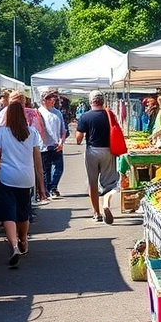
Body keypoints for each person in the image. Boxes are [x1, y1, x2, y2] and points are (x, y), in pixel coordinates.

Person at [0, 101, 45, 266]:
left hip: (7, 177)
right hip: (27, 178)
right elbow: (37, 161)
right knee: (23, 211)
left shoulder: (0, 133)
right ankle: (23, 240)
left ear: (7, 115)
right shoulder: (32, 132)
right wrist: (41, 185)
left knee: (8, 213)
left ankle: (14, 246)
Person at [75, 90, 119, 224]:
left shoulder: (85, 116)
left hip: (92, 151)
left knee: (92, 182)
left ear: (91, 101)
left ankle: (96, 213)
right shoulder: (109, 115)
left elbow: (78, 138)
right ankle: (105, 203)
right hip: (108, 151)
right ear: (102, 101)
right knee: (110, 183)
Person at [38, 92, 67, 199]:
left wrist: (61, 141)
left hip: (56, 144)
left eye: (54, 100)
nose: (52, 101)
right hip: (43, 145)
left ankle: (53, 187)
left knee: (59, 167)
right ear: (44, 100)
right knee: (46, 169)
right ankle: (47, 190)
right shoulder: (38, 113)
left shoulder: (57, 113)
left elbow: (63, 130)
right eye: (50, 99)